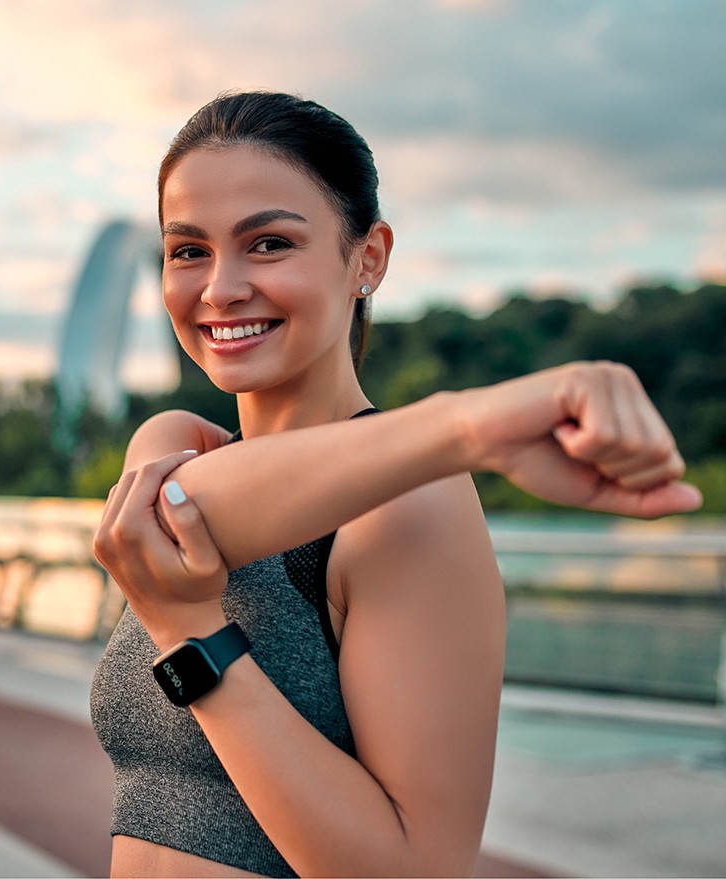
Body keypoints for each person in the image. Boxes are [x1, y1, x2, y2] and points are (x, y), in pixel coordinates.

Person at [89, 91, 702, 878]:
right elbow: (191, 507)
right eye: (187, 250)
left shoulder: (415, 507)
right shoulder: (176, 443)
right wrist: (470, 426)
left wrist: (195, 642)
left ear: (367, 258)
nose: (221, 288)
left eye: (269, 243)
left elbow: (414, 869)